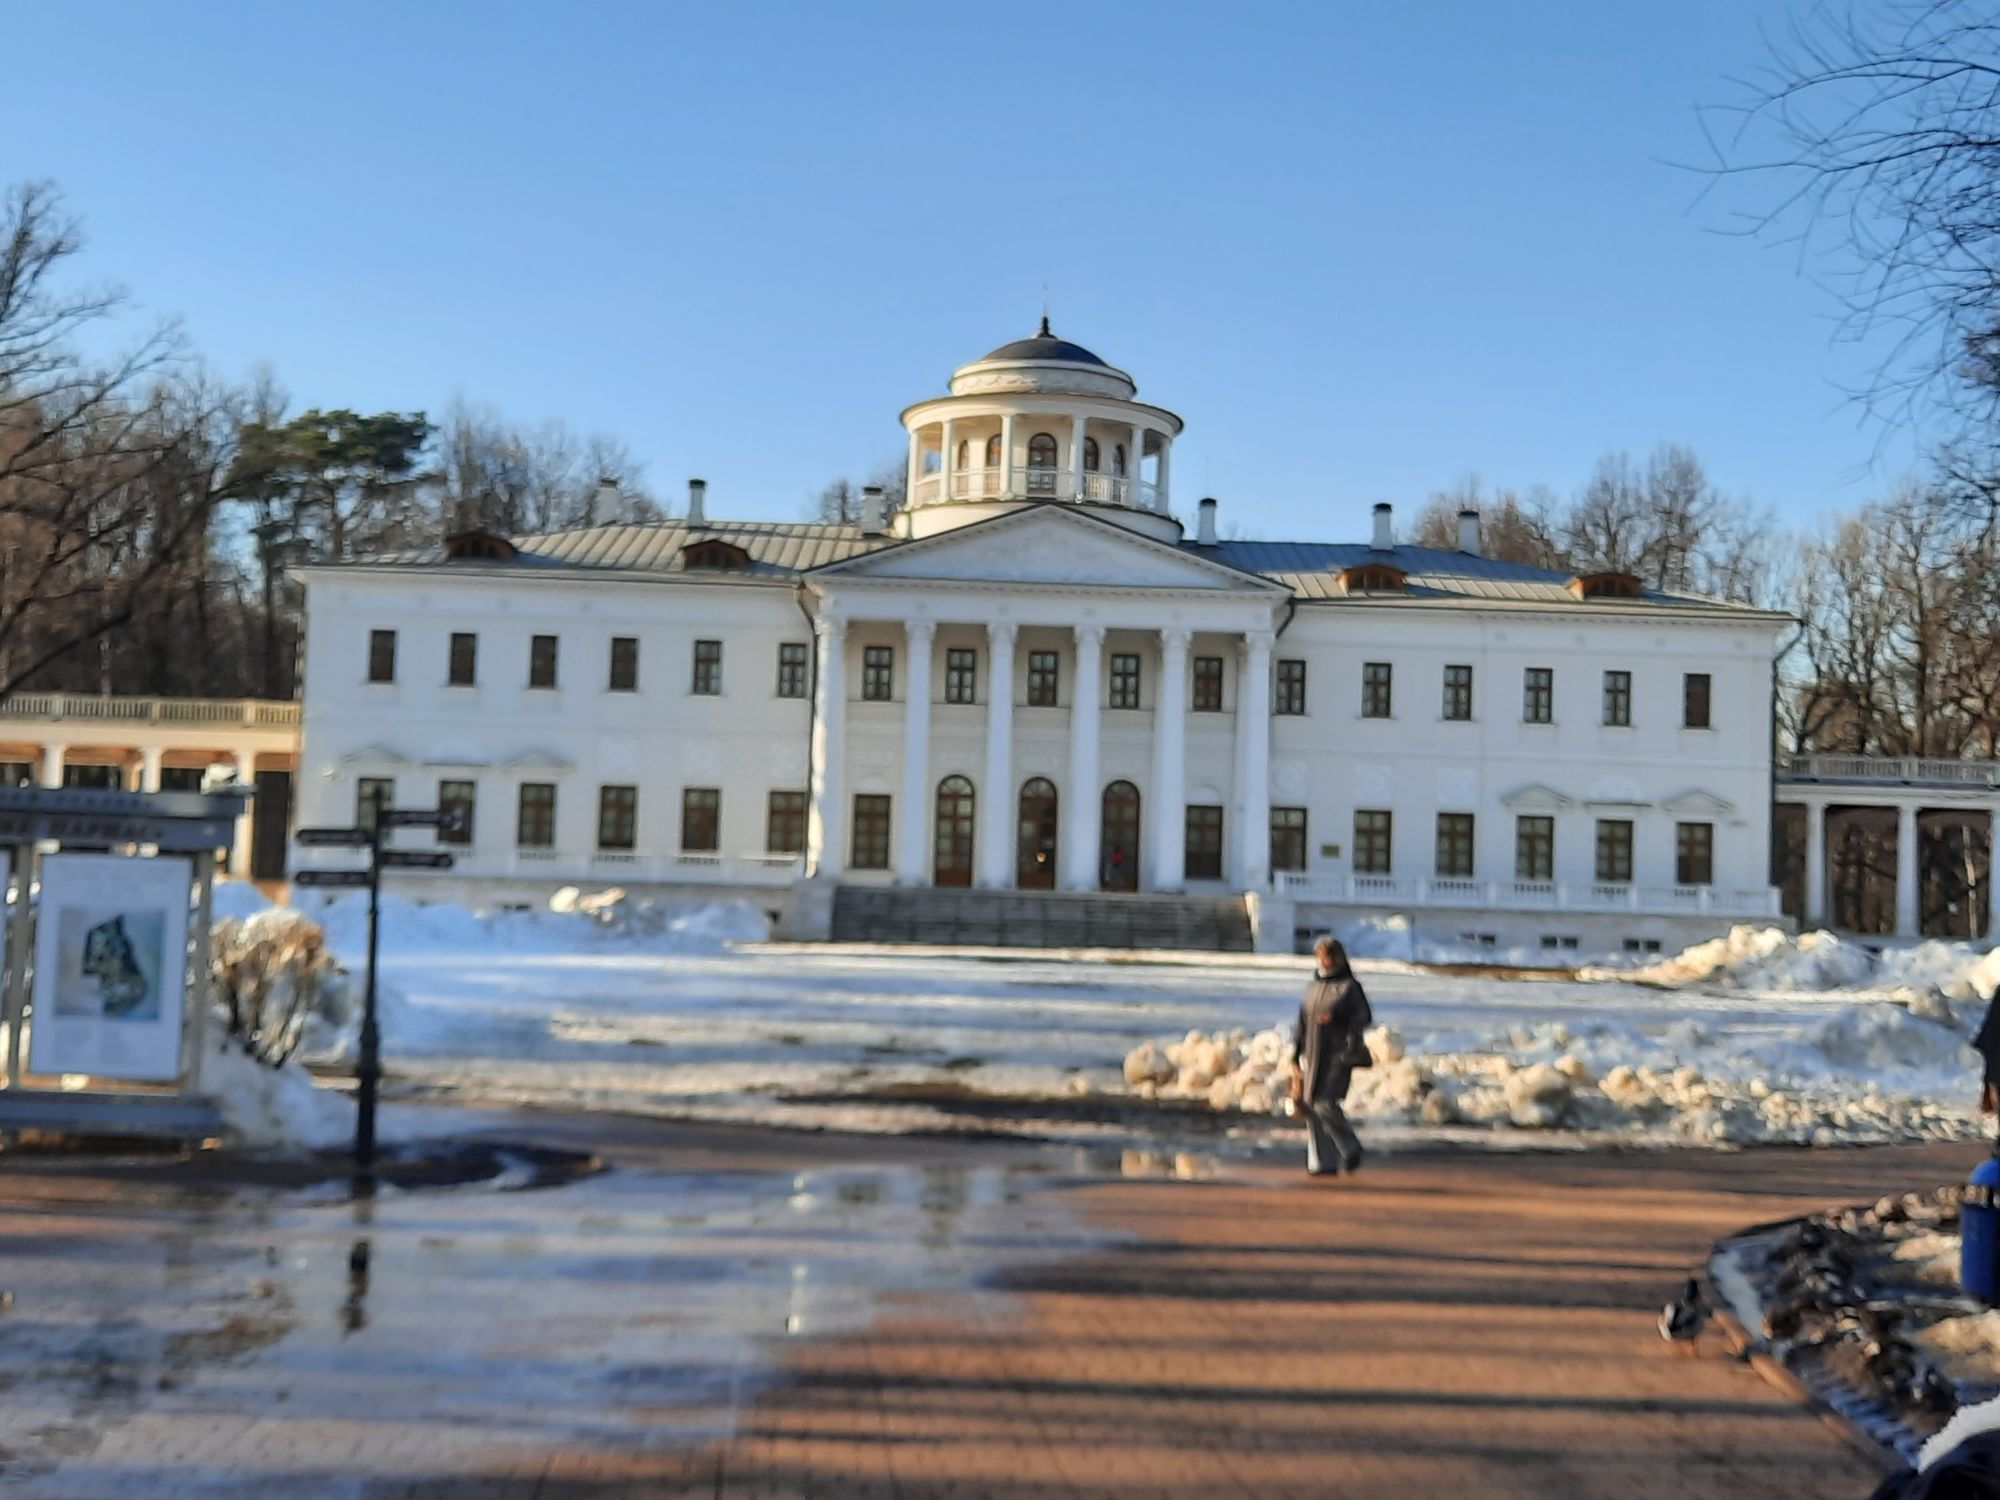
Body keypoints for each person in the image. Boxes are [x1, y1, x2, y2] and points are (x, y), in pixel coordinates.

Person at [1288, 935, 1372, 1178]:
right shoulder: (1313, 988)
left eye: (1324, 956)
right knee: (1310, 1104)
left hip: (1337, 1056)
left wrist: (1338, 1018)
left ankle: (1350, 1147)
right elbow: (1302, 1022)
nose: (1321, 961)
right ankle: (1322, 1162)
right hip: (1313, 1055)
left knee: (1325, 1103)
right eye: (1319, 957)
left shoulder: (1349, 987)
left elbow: (1364, 1016)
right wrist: (1295, 1052)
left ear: (1336, 958)